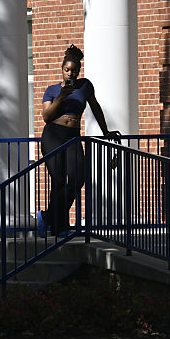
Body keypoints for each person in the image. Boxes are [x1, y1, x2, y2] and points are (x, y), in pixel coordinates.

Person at [37, 44, 118, 236]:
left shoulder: (85, 86)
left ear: (79, 71)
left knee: (77, 179)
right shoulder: (52, 90)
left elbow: (96, 108)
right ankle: (59, 227)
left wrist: (106, 132)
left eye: (74, 70)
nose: (70, 73)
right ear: (62, 70)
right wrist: (61, 98)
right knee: (57, 180)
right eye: (67, 70)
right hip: (53, 135)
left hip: (73, 136)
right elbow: (46, 117)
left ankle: (48, 217)